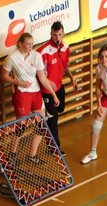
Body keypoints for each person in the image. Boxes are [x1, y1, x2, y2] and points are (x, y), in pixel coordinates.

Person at [1, 33, 60, 164]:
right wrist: (18, 83)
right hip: (22, 93)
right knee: (21, 126)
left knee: (41, 124)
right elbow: (4, 76)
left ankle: (32, 155)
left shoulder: (36, 56)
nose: (30, 46)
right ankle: (12, 154)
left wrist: (53, 94)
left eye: (32, 44)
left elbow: (42, 78)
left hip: (36, 93)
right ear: (21, 44)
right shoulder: (12, 57)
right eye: (27, 44)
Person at [37, 21, 79, 155]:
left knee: (60, 108)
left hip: (59, 87)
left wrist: (72, 78)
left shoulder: (66, 48)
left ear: (63, 34)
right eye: (55, 35)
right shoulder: (42, 51)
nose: (58, 38)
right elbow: (36, 71)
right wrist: (47, 80)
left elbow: (65, 66)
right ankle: (54, 148)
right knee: (53, 117)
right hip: (47, 90)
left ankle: (45, 120)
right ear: (51, 34)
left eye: (60, 35)